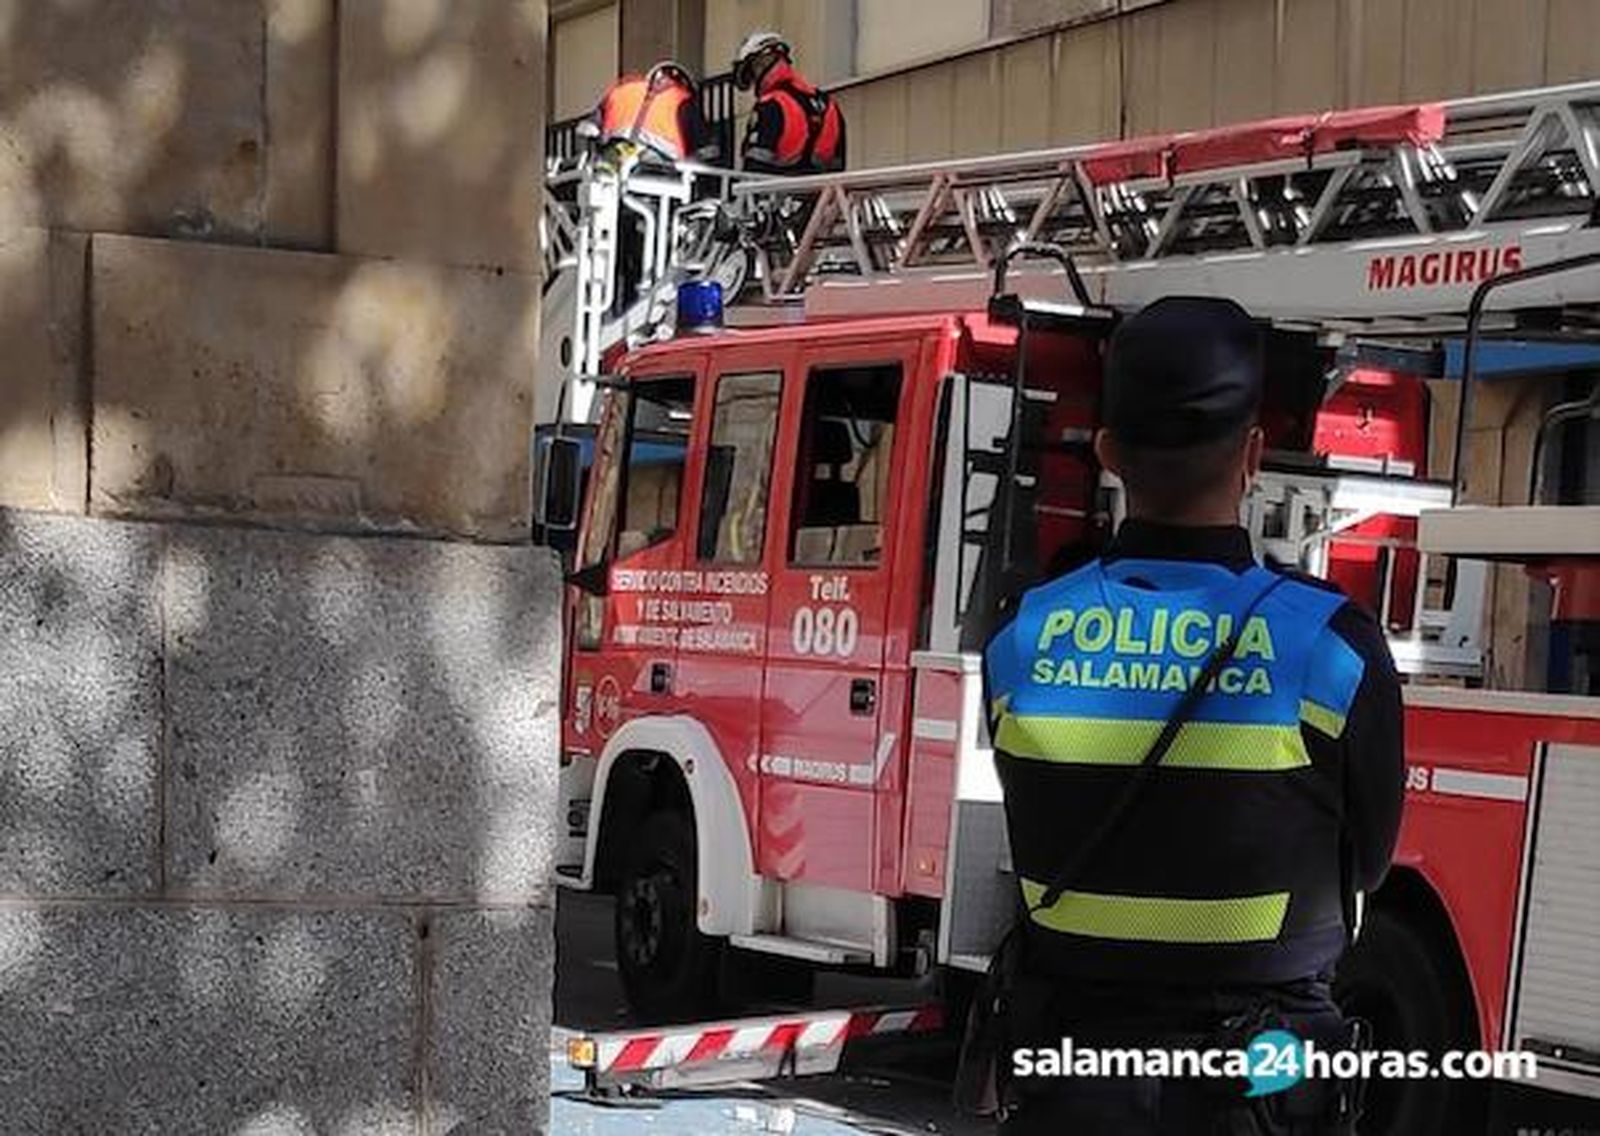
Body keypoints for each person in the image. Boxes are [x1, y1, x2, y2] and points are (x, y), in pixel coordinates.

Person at [979, 296, 1405, 1134]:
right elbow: (1370, 863)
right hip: (1263, 1084)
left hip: (1072, 1080)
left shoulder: (1022, 635)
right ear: (1252, 456)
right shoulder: (1329, 644)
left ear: (1106, 454)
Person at [732, 31, 846, 175]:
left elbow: (755, 167)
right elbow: (838, 165)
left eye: (751, 73)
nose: (753, 82)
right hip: (823, 194)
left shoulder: (770, 104)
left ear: (760, 65)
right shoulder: (828, 104)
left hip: (778, 192)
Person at [586, 61, 717, 165]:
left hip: (613, 155)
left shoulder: (622, 90)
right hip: (657, 162)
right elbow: (706, 147)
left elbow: (587, 128)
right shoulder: (683, 99)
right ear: (683, 84)